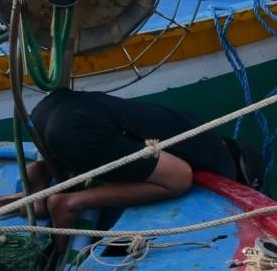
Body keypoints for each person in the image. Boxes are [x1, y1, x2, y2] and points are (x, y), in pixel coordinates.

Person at [22, 88, 249, 226]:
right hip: (76, 130)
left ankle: (43, 172)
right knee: (179, 177)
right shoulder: (222, 165)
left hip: (49, 110)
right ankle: (69, 202)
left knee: (104, 146)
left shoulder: (195, 125)